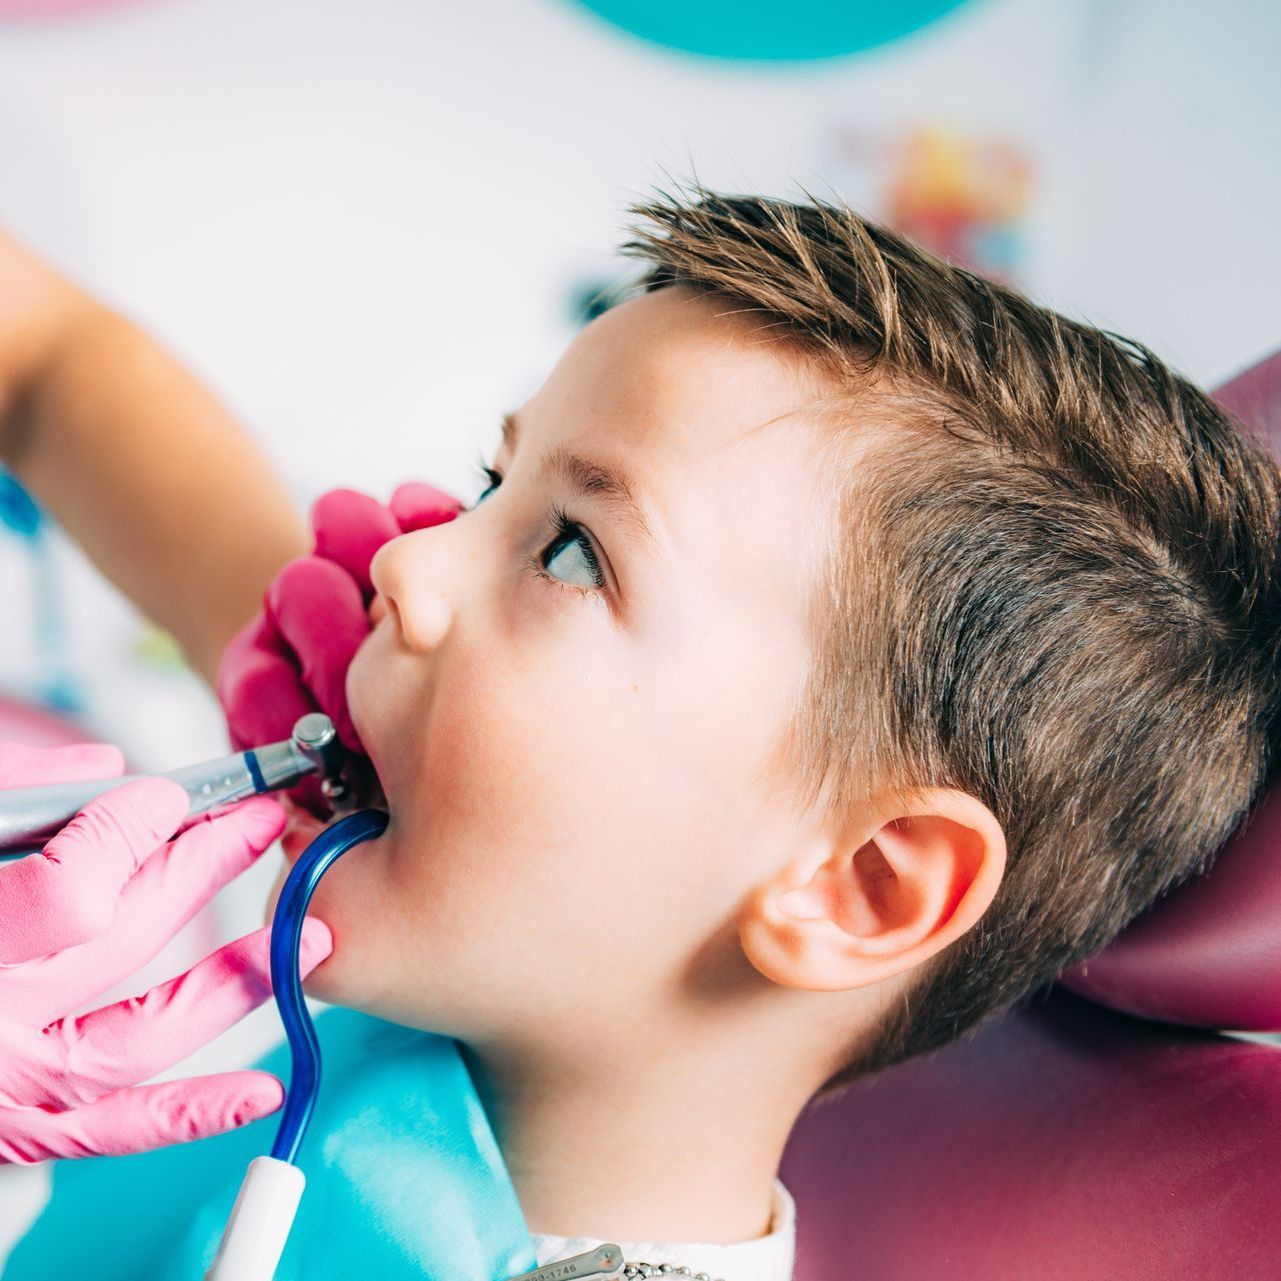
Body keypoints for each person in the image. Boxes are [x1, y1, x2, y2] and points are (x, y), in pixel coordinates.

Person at [2, 181, 1278, 1278]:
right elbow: (47, 368)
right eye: (494, 485)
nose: (409, 567)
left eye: (568, 552)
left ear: (863, 884)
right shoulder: (457, 825)